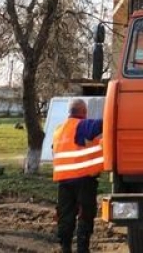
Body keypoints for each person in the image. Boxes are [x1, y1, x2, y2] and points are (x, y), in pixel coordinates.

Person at [52, 99, 104, 253]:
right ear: (82, 112)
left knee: (65, 215)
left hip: (63, 179)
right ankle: (82, 249)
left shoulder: (59, 130)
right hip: (82, 178)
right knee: (85, 214)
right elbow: (102, 123)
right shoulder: (81, 125)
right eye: (86, 111)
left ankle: (65, 248)